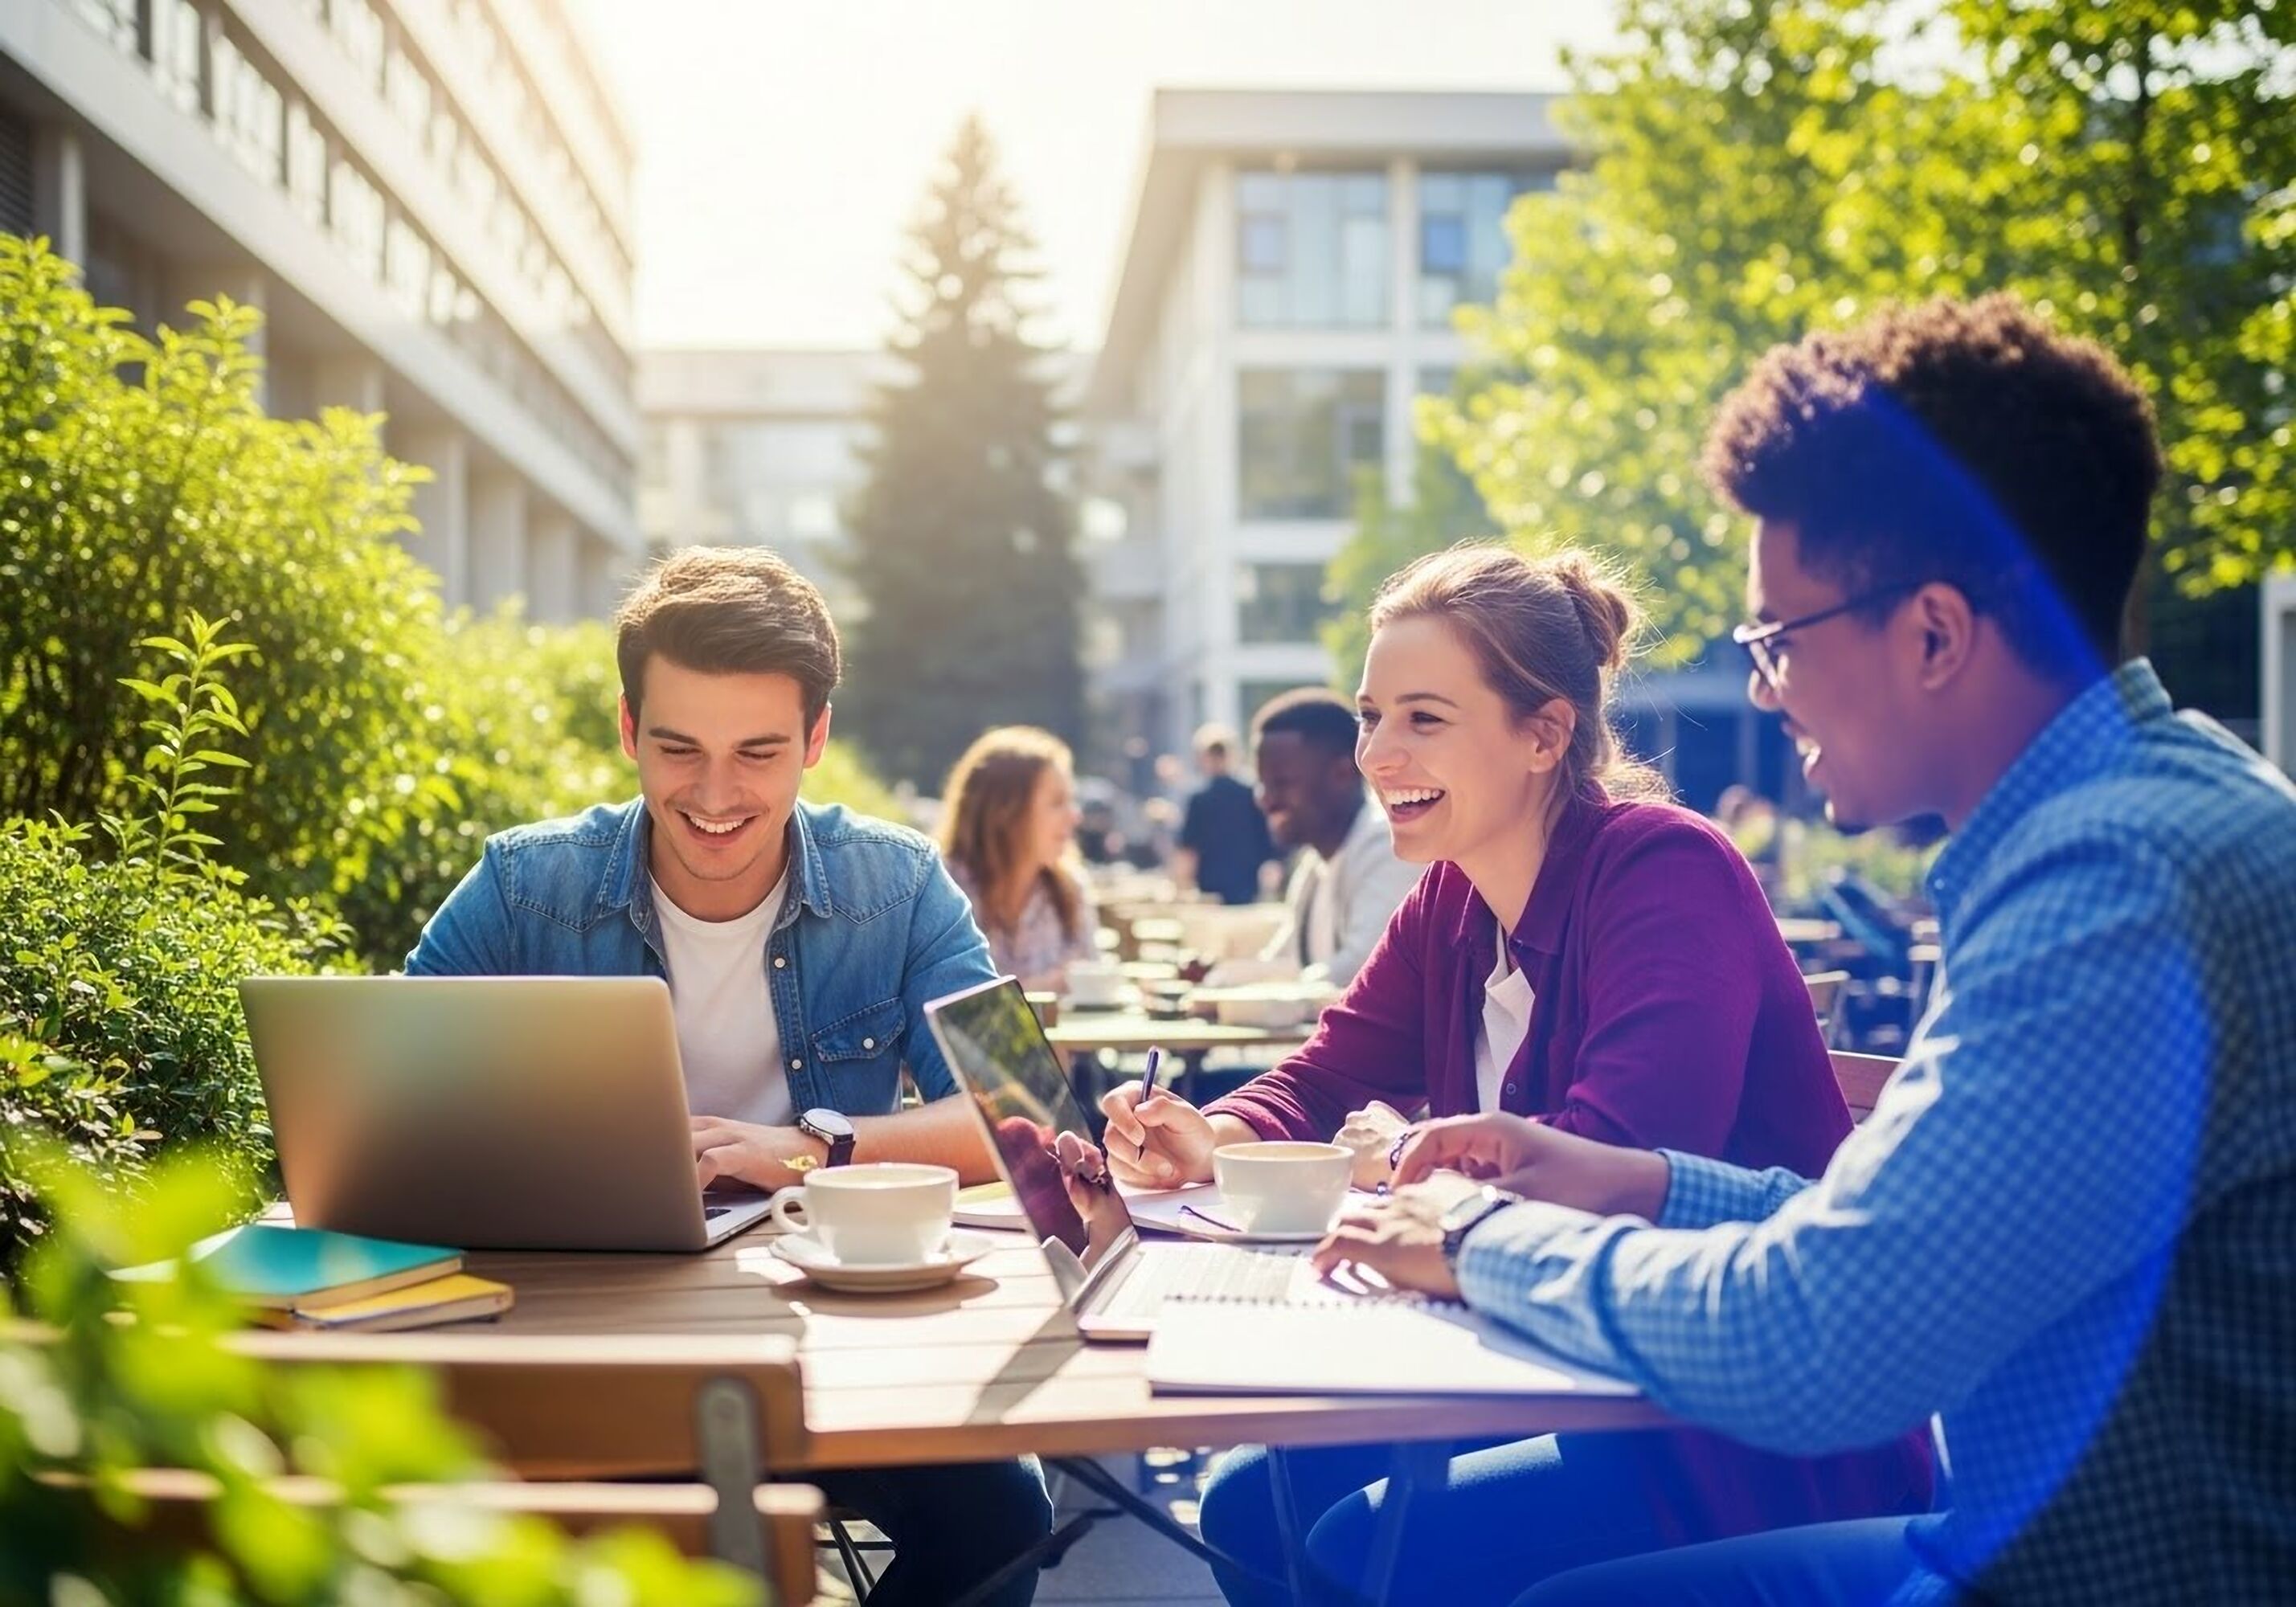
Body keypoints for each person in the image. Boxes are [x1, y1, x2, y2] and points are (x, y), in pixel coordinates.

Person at [1321, 295, 2296, 1605]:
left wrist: (1481, 1236)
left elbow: (1824, 1336)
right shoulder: (2141, 817)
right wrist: (1637, 1183)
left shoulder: (2116, 885)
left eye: (1777, 640)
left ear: (1935, 632)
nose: (1762, 688)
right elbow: (1911, 1241)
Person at [1101, 544, 1931, 1605]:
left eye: (1423, 718)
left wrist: (1395, 1164)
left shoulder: (1665, 871)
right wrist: (1211, 1135)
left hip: (1729, 1423)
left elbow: (1604, 1166)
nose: (1377, 753)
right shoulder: (1449, 898)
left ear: (1543, 735)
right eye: (1370, 716)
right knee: (1246, 1502)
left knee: (1358, 1545)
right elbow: (1322, 1073)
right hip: (1548, 1364)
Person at [403, 546, 1051, 1607]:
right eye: (678, 749)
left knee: (1006, 1521)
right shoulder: (524, 884)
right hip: (590, 1339)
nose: (713, 795)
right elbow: (387, 1094)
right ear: (628, 730)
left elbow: (1018, 1111)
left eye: (757, 752)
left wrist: (808, 1150)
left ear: (815, 739)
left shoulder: (898, 883)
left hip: (832, 1337)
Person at [1226, 687, 1422, 990]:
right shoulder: (1315, 865)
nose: (1265, 799)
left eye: (1282, 783)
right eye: (1262, 784)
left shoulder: (1389, 847)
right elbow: (1283, 964)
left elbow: (1363, 971)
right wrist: (1216, 982)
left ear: (1343, 773)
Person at [939, 726, 1099, 992]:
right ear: (1006, 812)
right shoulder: (942, 890)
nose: (1075, 816)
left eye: (1072, 801)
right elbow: (942, 1004)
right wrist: (1041, 989)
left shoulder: (1070, 891)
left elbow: (1094, 990)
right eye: (1057, 802)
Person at [1175, 723, 1275, 904]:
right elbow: (1268, 844)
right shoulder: (1252, 794)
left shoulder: (1199, 799)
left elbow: (1188, 851)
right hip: (1246, 888)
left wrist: (1181, 888)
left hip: (1210, 893)